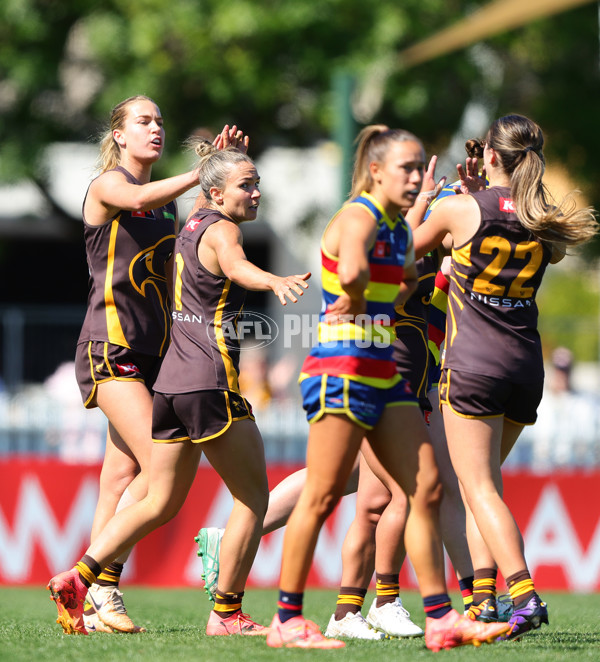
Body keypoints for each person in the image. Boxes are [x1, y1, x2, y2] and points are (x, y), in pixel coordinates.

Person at [47, 142, 311, 636]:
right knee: (253, 499)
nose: (256, 193)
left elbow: (207, 223)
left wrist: (221, 158)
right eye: (246, 185)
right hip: (211, 382)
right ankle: (227, 616)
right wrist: (273, 280)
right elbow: (235, 266)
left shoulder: (190, 226)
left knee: (158, 501)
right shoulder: (223, 228)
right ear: (215, 192)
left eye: (257, 184)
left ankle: (79, 576)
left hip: (170, 384)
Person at [264, 125, 510, 650]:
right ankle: (287, 619)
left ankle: (442, 620)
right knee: (325, 493)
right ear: (376, 170)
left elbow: (400, 290)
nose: (418, 176)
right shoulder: (357, 216)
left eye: (421, 167)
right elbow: (353, 269)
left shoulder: (398, 229)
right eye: (408, 168)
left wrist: (431, 272)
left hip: (383, 369)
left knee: (425, 488)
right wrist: (353, 285)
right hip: (340, 367)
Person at [411, 113, 598, 641]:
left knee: (477, 488)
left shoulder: (459, 208)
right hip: (524, 367)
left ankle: (523, 593)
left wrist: (431, 198)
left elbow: (400, 254)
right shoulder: (544, 219)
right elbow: (553, 251)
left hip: (472, 365)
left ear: (489, 155)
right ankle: (484, 600)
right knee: (483, 487)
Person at [70, 94, 247, 634]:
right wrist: (202, 172)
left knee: (119, 476)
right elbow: (141, 193)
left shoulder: (170, 205)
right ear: (119, 134)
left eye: (160, 120)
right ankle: (99, 584)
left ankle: (92, 601)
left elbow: (200, 231)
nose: (155, 128)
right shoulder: (108, 186)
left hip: (157, 353)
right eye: (143, 121)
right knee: (158, 470)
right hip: (111, 349)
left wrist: (223, 181)